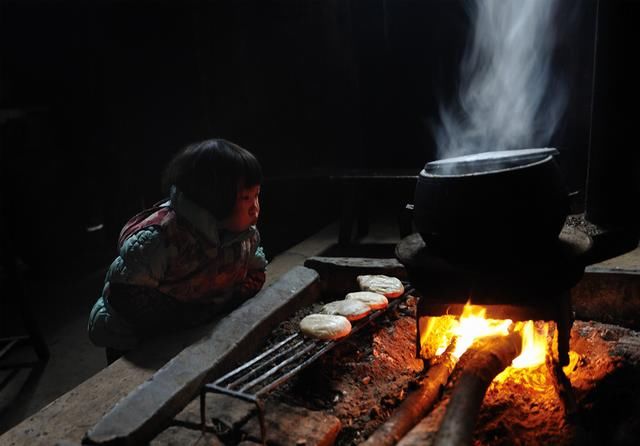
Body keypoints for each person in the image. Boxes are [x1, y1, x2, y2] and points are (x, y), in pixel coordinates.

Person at [88, 139, 267, 363]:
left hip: (189, 335)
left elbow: (255, 269)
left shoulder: (243, 236)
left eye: (256, 195)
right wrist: (198, 314)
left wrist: (237, 294)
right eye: (245, 198)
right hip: (134, 341)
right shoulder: (161, 238)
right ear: (213, 197)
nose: (255, 207)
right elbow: (125, 296)